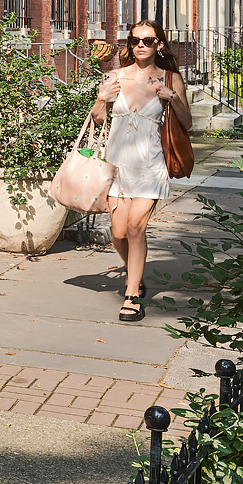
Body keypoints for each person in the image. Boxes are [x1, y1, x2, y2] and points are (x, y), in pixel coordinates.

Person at [94, 16, 190, 321]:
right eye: (135, 41)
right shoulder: (116, 77)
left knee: (136, 227)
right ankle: (133, 272)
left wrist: (171, 99)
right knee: (119, 233)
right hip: (117, 166)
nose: (140, 46)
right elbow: (98, 119)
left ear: (159, 44)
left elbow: (187, 124)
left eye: (147, 41)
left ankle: (132, 294)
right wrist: (101, 99)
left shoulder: (170, 79)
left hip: (150, 165)